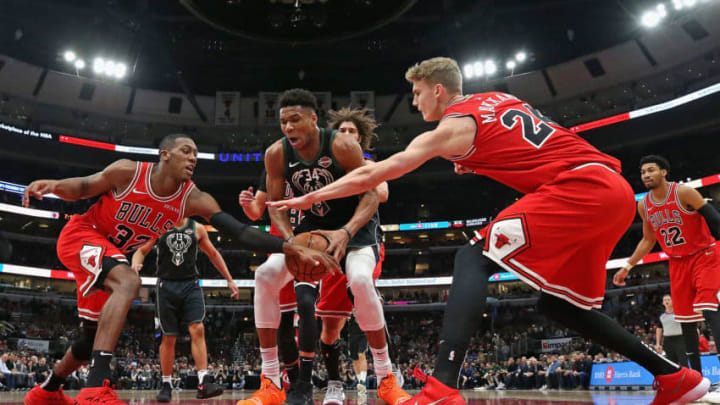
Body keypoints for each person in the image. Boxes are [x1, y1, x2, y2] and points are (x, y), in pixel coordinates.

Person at [269, 57, 710, 405]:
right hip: (612, 191)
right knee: (562, 307)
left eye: (418, 93)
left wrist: (306, 199)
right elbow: (516, 143)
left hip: (580, 188)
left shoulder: (452, 126)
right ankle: (675, 376)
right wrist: (471, 159)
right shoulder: (498, 98)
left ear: (439, 90)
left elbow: (379, 171)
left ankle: (442, 385)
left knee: (471, 257)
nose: (415, 103)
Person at [22, 134, 337, 405]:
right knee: (129, 280)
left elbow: (239, 231)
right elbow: (83, 186)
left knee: (88, 339)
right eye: (186, 151)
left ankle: (46, 391)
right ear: (165, 154)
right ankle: (95, 387)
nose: (193, 158)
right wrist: (53, 186)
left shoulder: (193, 199)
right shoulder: (128, 172)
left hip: (110, 256)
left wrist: (287, 246)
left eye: (196, 154)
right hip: (81, 237)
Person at [239, 89, 408, 405]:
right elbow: (275, 205)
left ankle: (386, 377)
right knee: (264, 276)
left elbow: (371, 195)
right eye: (283, 121)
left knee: (359, 281)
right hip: (312, 235)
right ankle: (271, 382)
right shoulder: (276, 153)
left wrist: (345, 232)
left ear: (313, 119)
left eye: (295, 119)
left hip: (355, 233)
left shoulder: (342, 146)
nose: (288, 127)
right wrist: (290, 241)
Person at [614, 155, 720, 400]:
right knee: (686, 321)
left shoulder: (683, 192)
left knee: (710, 307)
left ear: (664, 172)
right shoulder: (644, 205)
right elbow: (649, 240)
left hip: (704, 254)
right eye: (642, 172)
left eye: (651, 170)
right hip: (677, 263)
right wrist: (628, 265)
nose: (646, 175)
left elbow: (713, 217)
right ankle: (699, 382)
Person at [317, 107, 389, 405]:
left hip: (365, 242)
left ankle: (387, 375)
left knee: (361, 284)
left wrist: (356, 171)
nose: (346, 136)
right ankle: (334, 384)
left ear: (362, 141)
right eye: (341, 132)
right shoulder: (321, 168)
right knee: (330, 329)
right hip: (332, 248)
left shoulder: (370, 164)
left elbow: (382, 193)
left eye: (352, 133)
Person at [131, 217, 239, 401]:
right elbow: (141, 250)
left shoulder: (197, 228)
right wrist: (135, 265)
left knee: (198, 327)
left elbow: (213, 254)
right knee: (169, 336)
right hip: (166, 285)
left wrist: (229, 278)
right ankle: (166, 383)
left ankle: (203, 380)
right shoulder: (159, 225)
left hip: (190, 284)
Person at [239, 170, 304, 390]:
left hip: (315, 243)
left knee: (315, 317)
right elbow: (256, 211)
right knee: (285, 323)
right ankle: (287, 376)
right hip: (281, 250)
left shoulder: (320, 163)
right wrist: (248, 205)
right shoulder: (272, 168)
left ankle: (314, 375)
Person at [655, 294, 689, 368]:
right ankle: (675, 379)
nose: (666, 301)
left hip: (680, 339)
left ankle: (687, 379)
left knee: (683, 362)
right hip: (667, 341)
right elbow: (659, 329)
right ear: (663, 303)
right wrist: (658, 343)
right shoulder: (661, 315)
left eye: (668, 300)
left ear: (673, 301)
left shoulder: (679, 312)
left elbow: (686, 325)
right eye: (665, 300)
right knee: (671, 364)